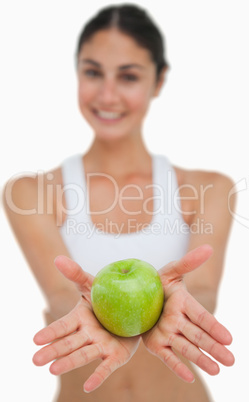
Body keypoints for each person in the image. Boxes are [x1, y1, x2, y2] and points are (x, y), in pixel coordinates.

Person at [3, 4, 235, 402]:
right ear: (76, 72)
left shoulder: (210, 189)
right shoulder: (30, 193)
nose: (107, 95)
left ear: (159, 81)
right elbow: (62, 297)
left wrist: (179, 304)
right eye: (93, 72)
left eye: (128, 76)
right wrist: (94, 313)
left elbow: (205, 290)